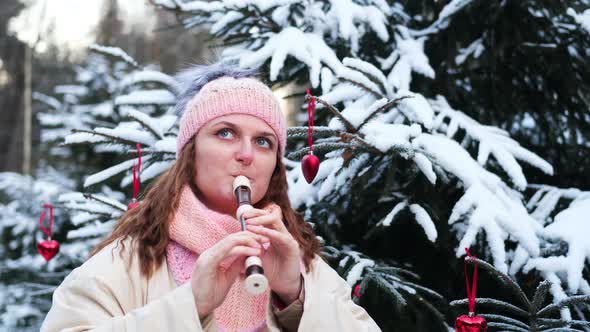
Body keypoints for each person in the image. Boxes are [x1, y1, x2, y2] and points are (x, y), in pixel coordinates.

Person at [41, 62, 381, 332]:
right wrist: (190, 305)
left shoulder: (298, 261)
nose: (247, 154)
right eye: (226, 133)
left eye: (264, 141)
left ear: (274, 167)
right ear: (191, 153)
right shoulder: (132, 258)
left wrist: (296, 297)